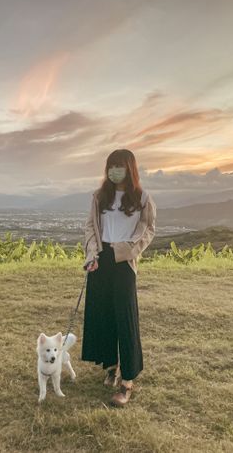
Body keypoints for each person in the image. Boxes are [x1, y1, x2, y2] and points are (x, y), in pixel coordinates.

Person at [81, 149, 157, 407]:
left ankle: (128, 380)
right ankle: (111, 366)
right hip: (100, 259)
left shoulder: (142, 198)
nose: (114, 171)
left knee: (125, 318)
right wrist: (92, 253)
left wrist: (128, 250)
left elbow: (148, 230)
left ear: (130, 168)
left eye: (119, 166)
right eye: (111, 166)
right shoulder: (100, 196)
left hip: (124, 263)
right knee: (102, 316)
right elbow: (90, 226)